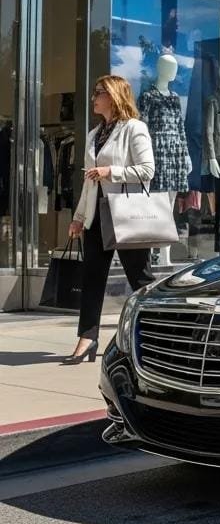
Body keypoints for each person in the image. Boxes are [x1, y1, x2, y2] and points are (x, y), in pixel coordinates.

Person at [64, 75, 155, 364]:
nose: (94, 98)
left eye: (99, 93)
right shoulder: (94, 134)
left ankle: (153, 335)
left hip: (126, 213)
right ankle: (87, 337)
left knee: (140, 280)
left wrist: (110, 172)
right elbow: (89, 182)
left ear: (115, 96)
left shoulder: (134, 129)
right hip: (97, 214)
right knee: (91, 278)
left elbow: (147, 170)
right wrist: (79, 217)